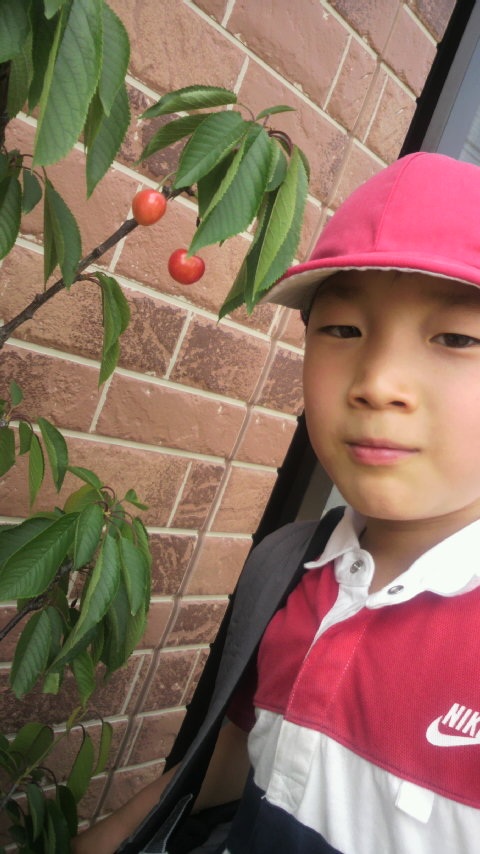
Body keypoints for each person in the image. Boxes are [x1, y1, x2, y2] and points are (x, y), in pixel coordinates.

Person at [73, 151, 480, 854]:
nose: (378, 382)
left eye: (457, 338)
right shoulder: (289, 567)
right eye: (343, 330)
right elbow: (235, 761)